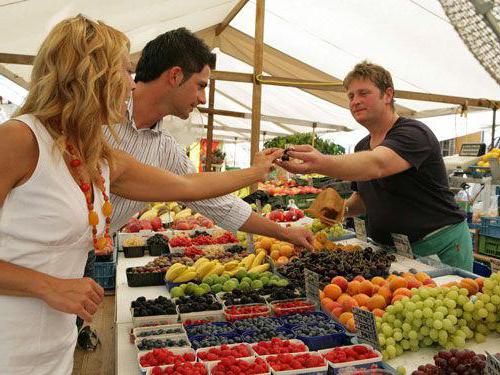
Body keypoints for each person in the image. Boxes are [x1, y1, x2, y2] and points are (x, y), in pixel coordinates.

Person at [0, 16, 283, 375]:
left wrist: (257, 173)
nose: (131, 84)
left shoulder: (97, 156)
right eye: (124, 70)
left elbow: (189, 188)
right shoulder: (18, 140)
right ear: (91, 75)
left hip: (53, 342)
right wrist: (46, 286)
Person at [105, 27, 313, 248]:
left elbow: (215, 202)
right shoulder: (98, 114)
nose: (203, 99)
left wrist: (284, 233)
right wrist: (255, 172)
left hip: (89, 248)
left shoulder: (164, 147)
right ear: (175, 76)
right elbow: (189, 187)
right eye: (201, 86)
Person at [277, 61, 472, 271]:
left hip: (437, 245)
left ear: (388, 95)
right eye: (351, 96)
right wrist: (340, 210)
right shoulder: (363, 145)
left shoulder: (413, 133)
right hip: (392, 250)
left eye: (363, 93)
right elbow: (363, 198)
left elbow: (378, 164)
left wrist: (320, 162)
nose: (355, 101)